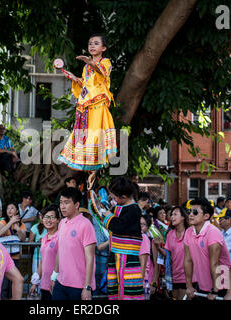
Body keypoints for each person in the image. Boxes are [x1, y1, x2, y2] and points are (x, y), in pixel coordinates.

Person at [57, 34, 117, 185]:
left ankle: (95, 171)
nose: (92, 46)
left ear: (104, 48)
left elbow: (101, 73)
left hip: (97, 107)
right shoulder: (86, 67)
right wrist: (74, 78)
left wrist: (91, 63)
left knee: (95, 138)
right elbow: (85, 85)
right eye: (90, 43)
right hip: (85, 107)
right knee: (85, 139)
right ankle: (91, 173)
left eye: (96, 43)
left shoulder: (106, 62)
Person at [101, 177, 144, 300]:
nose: (113, 200)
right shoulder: (119, 207)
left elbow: (118, 226)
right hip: (116, 253)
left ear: (124, 197)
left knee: (128, 288)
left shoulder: (134, 210)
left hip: (127, 254)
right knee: (115, 285)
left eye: (114, 197)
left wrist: (108, 216)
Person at [51, 187, 96, 300]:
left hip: (80, 286)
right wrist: (54, 276)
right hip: (61, 282)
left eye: (66, 203)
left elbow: (90, 258)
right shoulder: (61, 223)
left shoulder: (85, 225)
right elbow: (60, 252)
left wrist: (87, 287)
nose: (62, 206)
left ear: (76, 205)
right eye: (61, 202)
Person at [184, 198, 231, 300]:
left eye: (195, 212)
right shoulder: (188, 232)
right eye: (189, 211)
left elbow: (215, 264)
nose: (190, 214)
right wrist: (189, 286)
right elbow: (187, 260)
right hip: (203, 283)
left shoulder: (213, 232)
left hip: (221, 284)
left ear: (206, 216)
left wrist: (215, 290)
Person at [29, 204, 61, 300]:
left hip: (57, 283)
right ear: (42, 220)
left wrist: (54, 279)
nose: (48, 220)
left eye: (52, 217)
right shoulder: (44, 238)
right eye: (46, 217)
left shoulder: (60, 236)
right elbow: (42, 262)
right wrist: (35, 282)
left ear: (58, 220)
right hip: (44, 284)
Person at [0, 202, 27, 300]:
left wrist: (16, 226)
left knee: (13, 284)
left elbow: (22, 238)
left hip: (15, 258)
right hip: (3, 258)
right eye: (8, 208)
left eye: (12, 208)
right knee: (4, 284)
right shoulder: (2, 222)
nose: (9, 210)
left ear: (17, 210)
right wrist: (10, 222)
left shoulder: (21, 225)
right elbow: (0, 233)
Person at [164, 206, 194, 300]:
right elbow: (168, 255)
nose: (172, 217)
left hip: (188, 277)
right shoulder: (170, 234)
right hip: (173, 276)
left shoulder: (190, 232)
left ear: (183, 217)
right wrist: (156, 247)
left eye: (175, 214)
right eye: (171, 214)